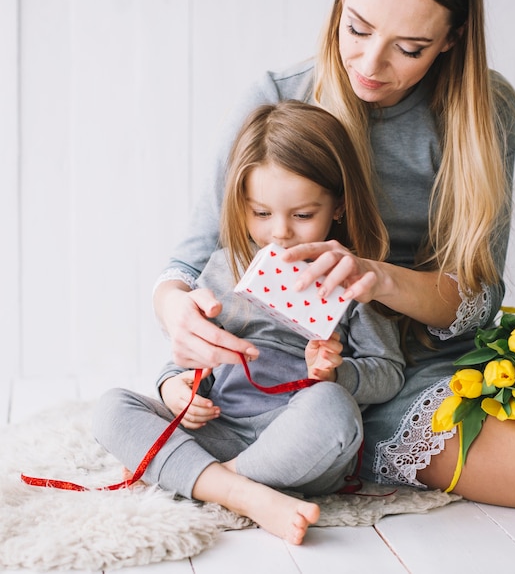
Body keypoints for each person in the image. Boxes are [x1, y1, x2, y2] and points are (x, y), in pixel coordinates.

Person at [151, 0, 515, 528]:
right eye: (357, 28)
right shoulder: (281, 98)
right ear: (339, 5)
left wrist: (377, 277)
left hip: (463, 346)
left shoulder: (482, 111)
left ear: (452, 38)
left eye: (409, 48)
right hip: (360, 385)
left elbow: (475, 301)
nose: (371, 63)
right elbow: (189, 263)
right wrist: (179, 313)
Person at [93, 100, 405, 545]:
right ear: (241, 204)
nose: (279, 232)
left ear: (338, 206)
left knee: (336, 410)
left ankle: (203, 480)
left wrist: (336, 372)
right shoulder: (224, 267)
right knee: (111, 407)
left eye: (301, 215)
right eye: (261, 213)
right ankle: (244, 493)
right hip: (216, 429)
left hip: (295, 440)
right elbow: (187, 356)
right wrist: (174, 387)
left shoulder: (354, 279)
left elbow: (389, 373)